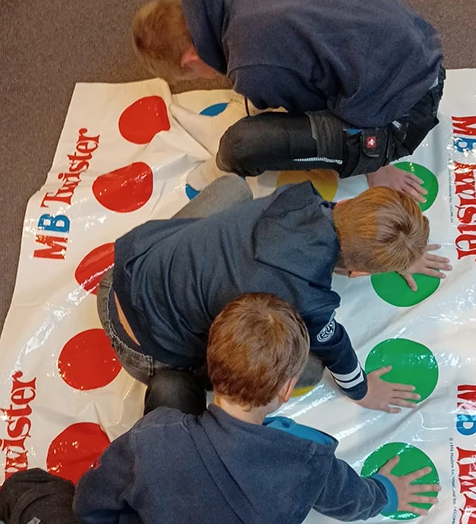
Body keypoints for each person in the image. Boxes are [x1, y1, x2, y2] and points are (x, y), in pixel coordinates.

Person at [0, 294, 440, 524]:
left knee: (17, 493)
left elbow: (91, 506)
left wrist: (146, 490)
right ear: (287, 390)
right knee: (169, 391)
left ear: (210, 365)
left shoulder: (157, 438)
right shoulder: (309, 464)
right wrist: (387, 493)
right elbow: (354, 498)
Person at [97, 175, 450, 416]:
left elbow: (345, 218)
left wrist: (392, 244)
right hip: (146, 350)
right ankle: (177, 381)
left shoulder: (296, 197)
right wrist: (361, 390)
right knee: (306, 368)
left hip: (123, 273)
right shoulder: (306, 300)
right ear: (359, 274)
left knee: (232, 189)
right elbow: (336, 348)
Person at [132, 0, 444, 201]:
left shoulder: (250, 66)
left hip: (409, 110)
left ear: (190, 59)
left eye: (195, 76)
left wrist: (375, 163)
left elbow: (319, 105)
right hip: (421, 42)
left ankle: (378, 154)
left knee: (244, 145)